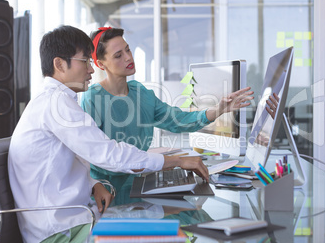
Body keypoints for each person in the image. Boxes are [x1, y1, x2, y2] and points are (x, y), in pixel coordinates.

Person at [8, 25, 209, 243]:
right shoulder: (56, 104)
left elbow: (59, 164)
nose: (91, 70)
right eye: (85, 61)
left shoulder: (55, 101)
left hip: (77, 221)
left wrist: (93, 183)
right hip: (62, 235)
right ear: (59, 64)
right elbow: (109, 154)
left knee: (170, 225)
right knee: (168, 234)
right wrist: (178, 161)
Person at [80, 27, 254, 194]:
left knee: (191, 214)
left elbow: (178, 120)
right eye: (118, 55)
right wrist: (173, 161)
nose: (127, 57)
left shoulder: (140, 92)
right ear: (101, 64)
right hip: (106, 191)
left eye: (128, 50)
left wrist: (220, 109)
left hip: (140, 181)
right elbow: (98, 154)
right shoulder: (93, 98)